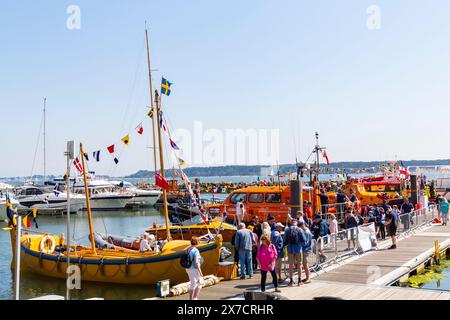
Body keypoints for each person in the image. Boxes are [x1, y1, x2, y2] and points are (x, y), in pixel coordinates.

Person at [283, 220, 306, 286]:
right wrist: (301, 245)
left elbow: (284, 240)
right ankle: (299, 281)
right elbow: (304, 240)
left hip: (290, 249)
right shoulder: (300, 229)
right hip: (298, 249)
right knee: (299, 265)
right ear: (296, 223)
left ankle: (291, 281)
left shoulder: (287, 230)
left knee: (290, 265)